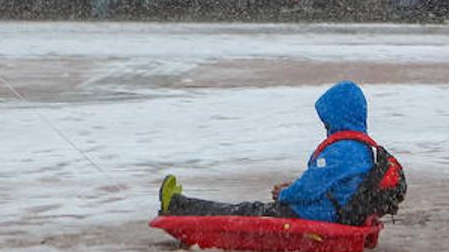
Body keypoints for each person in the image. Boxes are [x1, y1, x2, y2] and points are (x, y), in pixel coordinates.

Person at [157, 81, 405, 225]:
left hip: (314, 215)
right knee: (247, 209)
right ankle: (181, 205)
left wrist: (285, 193)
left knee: (244, 211)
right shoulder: (359, 149)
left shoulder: (343, 150)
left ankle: (176, 206)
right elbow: (326, 184)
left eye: (326, 119)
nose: (325, 124)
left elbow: (310, 187)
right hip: (326, 211)